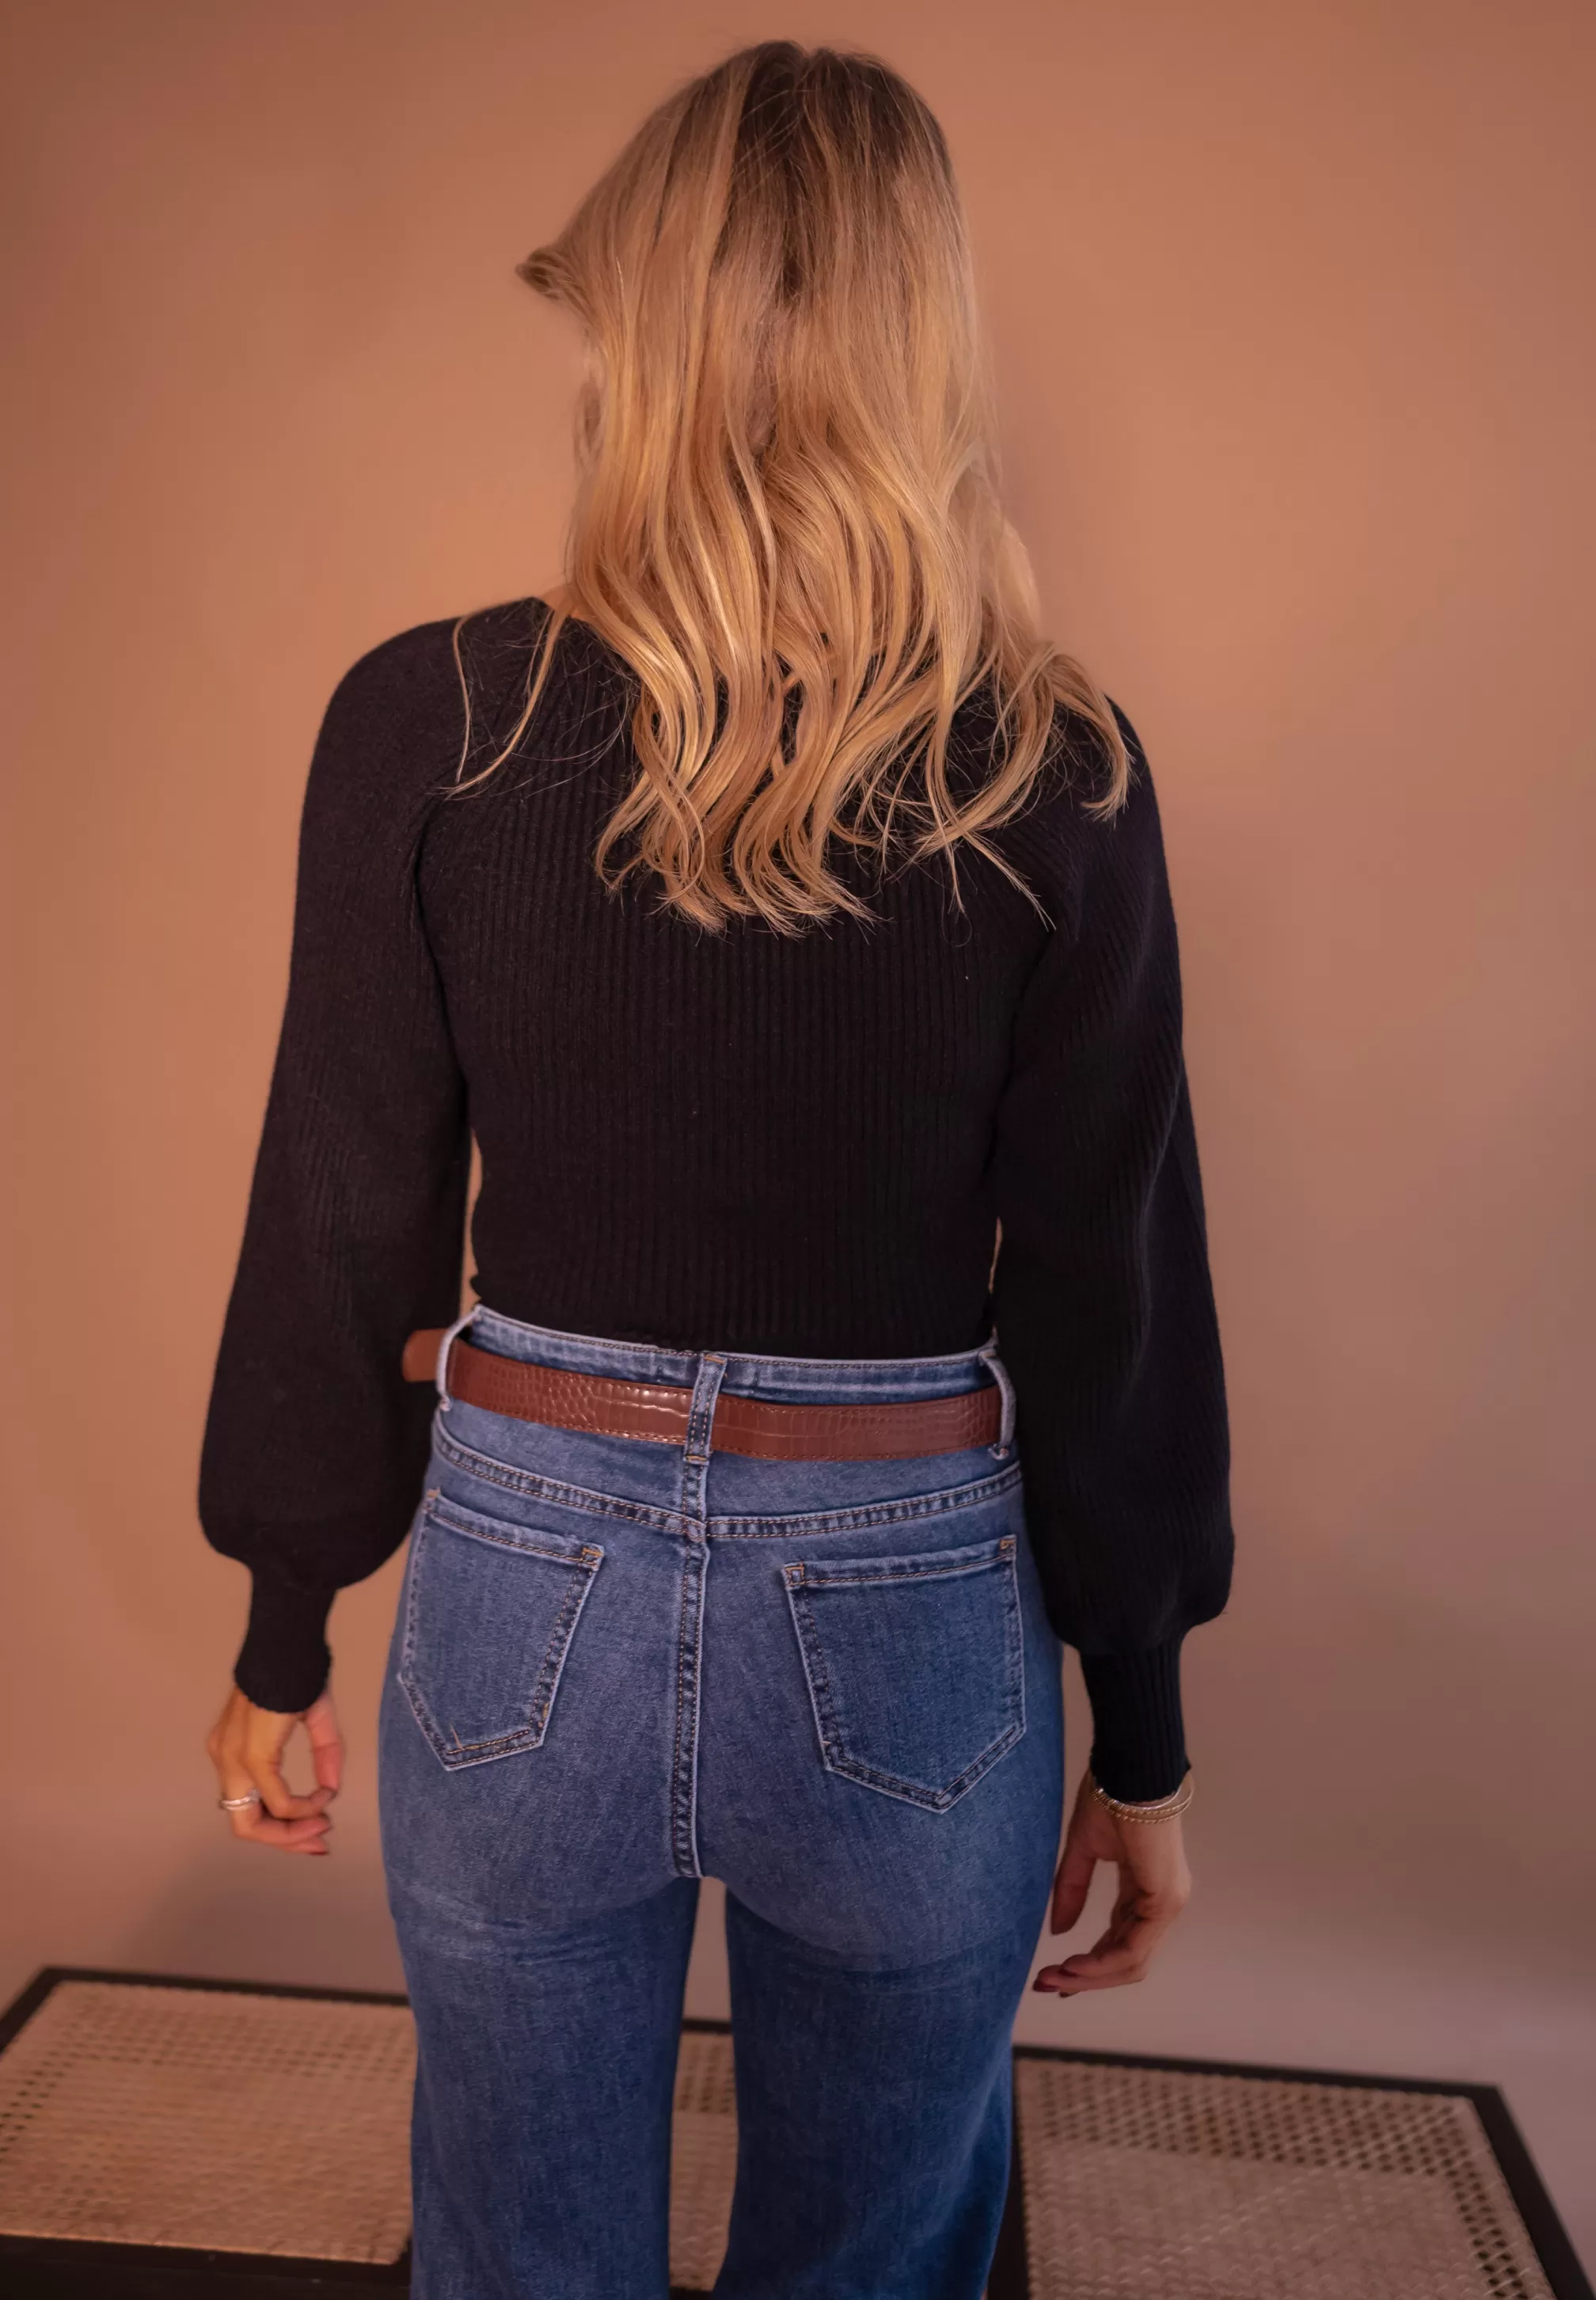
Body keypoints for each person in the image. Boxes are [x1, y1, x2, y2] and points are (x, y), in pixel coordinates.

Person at [199, 39, 1231, 2300]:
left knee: (515, 2257)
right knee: (873, 2264)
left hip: (521, 1594)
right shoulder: (1056, 767)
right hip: (910, 1613)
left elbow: (346, 1209)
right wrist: (1141, 1739)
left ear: (642, 339)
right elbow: (1110, 1289)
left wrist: (283, 1622)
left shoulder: (429, 721)